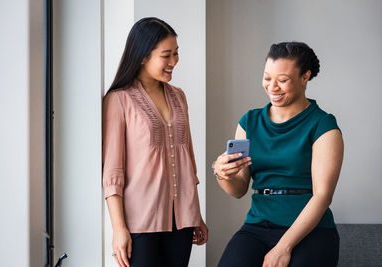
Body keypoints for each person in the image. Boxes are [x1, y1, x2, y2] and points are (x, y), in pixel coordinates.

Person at [213, 41, 344, 267]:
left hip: (310, 230)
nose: (272, 87)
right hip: (257, 227)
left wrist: (283, 247)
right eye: (267, 78)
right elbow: (239, 189)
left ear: (305, 77)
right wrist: (222, 174)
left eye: (282, 80)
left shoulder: (324, 125)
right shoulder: (248, 122)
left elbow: (323, 196)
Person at [102, 17, 208, 267]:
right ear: (142, 57)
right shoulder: (119, 100)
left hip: (182, 220)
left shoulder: (179, 97)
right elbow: (112, 173)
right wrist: (119, 229)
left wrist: (197, 215)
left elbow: (188, 163)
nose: (174, 62)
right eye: (166, 55)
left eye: (176, 53)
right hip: (140, 222)